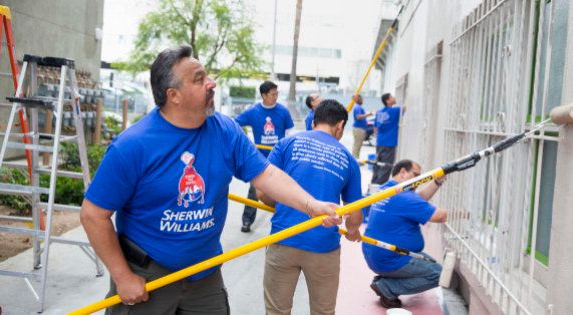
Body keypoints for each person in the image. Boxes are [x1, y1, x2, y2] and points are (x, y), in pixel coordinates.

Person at [79, 46, 341, 315]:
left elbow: (268, 175)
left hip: (204, 276)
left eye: (207, 75)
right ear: (174, 96)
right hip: (148, 277)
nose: (211, 83)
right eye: (199, 79)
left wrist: (312, 205)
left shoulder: (225, 131)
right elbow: (93, 215)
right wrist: (122, 276)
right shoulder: (133, 146)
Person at [256, 100, 363, 315]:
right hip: (323, 247)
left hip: (284, 238)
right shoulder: (348, 160)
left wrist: (285, 208)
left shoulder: (286, 143)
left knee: (277, 311)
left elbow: (263, 194)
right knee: (323, 312)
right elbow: (355, 213)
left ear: (314, 122)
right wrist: (353, 232)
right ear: (340, 125)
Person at [362, 159, 447, 308]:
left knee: (431, 263)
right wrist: (462, 214)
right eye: (416, 176)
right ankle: (388, 287)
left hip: (378, 254)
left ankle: (383, 281)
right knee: (439, 274)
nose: (419, 181)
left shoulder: (385, 190)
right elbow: (439, 216)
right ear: (402, 172)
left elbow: (417, 200)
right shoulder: (404, 197)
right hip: (391, 258)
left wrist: (437, 182)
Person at [235, 81, 294, 232]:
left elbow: (290, 134)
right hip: (259, 160)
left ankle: (284, 222)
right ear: (264, 95)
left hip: (279, 159)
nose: (275, 97)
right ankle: (247, 221)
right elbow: (235, 124)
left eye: (277, 94)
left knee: (283, 191)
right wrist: (246, 142)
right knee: (254, 192)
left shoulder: (283, 112)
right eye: (273, 94)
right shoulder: (253, 111)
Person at [371, 93, 405, 184]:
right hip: (389, 143)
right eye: (392, 97)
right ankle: (379, 190)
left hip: (380, 142)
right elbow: (406, 107)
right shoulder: (395, 111)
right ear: (387, 100)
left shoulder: (379, 112)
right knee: (386, 168)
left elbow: (375, 128)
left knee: (378, 165)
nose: (394, 98)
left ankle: (373, 185)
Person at [351, 94, 373, 159]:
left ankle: (356, 158)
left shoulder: (358, 107)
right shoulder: (358, 107)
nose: (362, 99)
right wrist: (369, 114)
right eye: (360, 98)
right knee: (357, 145)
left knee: (358, 145)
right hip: (359, 129)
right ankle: (355, 159)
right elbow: (358, 117)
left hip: (359, 128)